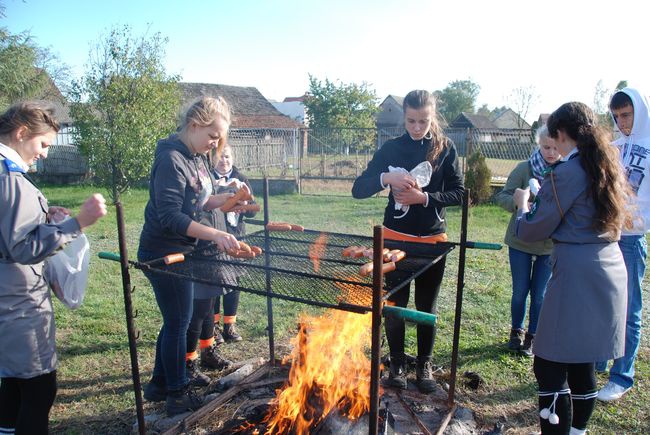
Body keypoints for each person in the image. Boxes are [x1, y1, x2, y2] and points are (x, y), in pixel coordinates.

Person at [514, 102, 630, 435]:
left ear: (561, 134)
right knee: (582, 360)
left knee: (548, 363)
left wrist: (523, 207)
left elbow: (533, 229)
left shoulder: (567, 172)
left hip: (577, 275)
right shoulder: (605, 166)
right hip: (608, 268)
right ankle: (577, 431)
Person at [0, 101, 107, 434]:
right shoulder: (9, 178)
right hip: (16, 303)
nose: (45, 153)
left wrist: (43, 218)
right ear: (21, 133)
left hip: (8, 299)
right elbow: (21, 247)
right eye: (43, 144)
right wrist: (78, 223)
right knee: (38, 388)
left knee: (13, 383)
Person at [352, 90, 464, 393]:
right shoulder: (391, 149)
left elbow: (460, 192)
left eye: (423, 121)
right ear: (404, 117)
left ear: (433, 116)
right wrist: (385, 180)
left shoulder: (445, 148)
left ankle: (424, 363)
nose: (417, 127)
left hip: (432, 241)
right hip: (394, 239)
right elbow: (358, 188)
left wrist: (424, 197)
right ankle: (399, 362)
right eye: (412, 121)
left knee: (427, 304)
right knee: (394, 303)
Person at [138, 96, 240, 417]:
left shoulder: (197, 157)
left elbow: (198, 201)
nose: (215, 144)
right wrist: (217, 234)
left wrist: (225, 200)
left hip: (183, 251)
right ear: (194, 125)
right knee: (179, 322)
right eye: (212, 136)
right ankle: (177, 394)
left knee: (175, 321)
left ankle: (159, 383)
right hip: (163, 253)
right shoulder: (171, 159)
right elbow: (171, 215)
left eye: (219, 139)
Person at [595, 87, 650, 402]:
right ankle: (600, 358)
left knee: (629, 309)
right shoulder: (614, 147)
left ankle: (622, 375)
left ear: (639, 112)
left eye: (626, 115)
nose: (622, 122)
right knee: (604, 303)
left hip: (631, 240)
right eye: (616, 116)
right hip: (607, 236)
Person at [494, 125, 560, 356]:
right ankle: (516, 331)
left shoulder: (565, 171)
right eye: (546, 147)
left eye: (555, 147)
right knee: (520, 290)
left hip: (549, 245)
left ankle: (533, 336)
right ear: (538, 145)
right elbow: (501, 196)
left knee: (540, 293)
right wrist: (520, 204)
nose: (551, 152)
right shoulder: (525, 169)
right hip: (520, 240)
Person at [211, 143, 258, 344]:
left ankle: (229, 325)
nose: (224, 161)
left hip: (237, 235)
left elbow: (254, 210)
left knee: (234, 280)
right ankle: (213, 326)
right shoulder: (208, 178)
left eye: (228, 157)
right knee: (214, 281)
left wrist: (245, 207)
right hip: (216, 236)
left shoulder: (241, 179)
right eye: (221, 157)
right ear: (213, 157)